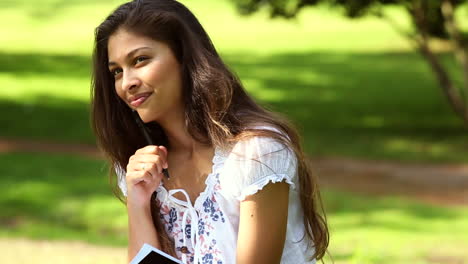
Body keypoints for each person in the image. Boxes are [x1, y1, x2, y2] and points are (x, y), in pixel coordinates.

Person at [91, 0, 329, 263]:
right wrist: (138, 200)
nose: (127, 83)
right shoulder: (140, 165)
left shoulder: (256, 153)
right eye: (116, 71)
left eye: (140, 59)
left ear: (184, 57)